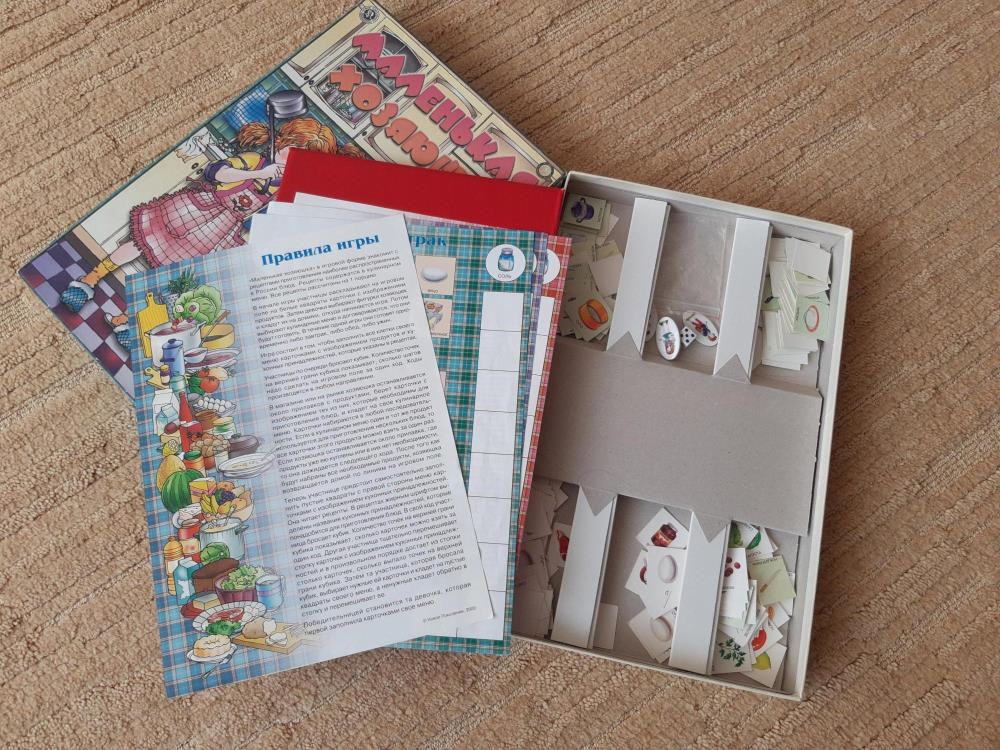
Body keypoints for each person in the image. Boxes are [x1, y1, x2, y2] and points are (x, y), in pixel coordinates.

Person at [60, 117, 357, 312]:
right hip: (198, 208)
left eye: (303, 158)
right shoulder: (256, 161)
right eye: (293, 150)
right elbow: (217, 173)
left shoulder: (283, 187)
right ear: (283, 143)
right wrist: (258, 172)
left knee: (175, 276)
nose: (291, 160)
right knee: (143, 242)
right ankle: (89, 280)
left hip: (221, 229)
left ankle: (128, 318)